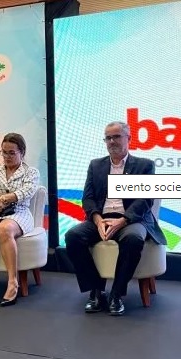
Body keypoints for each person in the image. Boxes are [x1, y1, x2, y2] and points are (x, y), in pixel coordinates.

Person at [64, 121, 166, 316]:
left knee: (133, 239)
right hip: (101, 218)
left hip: (131, 220)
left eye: (116, 137)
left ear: (129, 138)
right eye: (108, 138)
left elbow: (145, 199)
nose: (112, 141)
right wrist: (97, 220)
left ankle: (116, 294)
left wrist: (123, 220)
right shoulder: (96, 165)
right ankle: (96, 290)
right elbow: (88, 198)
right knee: (73, 236)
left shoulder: (144, 165)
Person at [0, 133, 39, 307]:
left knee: (5, 229)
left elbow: (26, 192)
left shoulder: (31, 172)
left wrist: (4, 198)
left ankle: (13, 282)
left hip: (19, 212)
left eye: (12, 153)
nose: (7, 156)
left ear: (22, 152)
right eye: (4, 152)